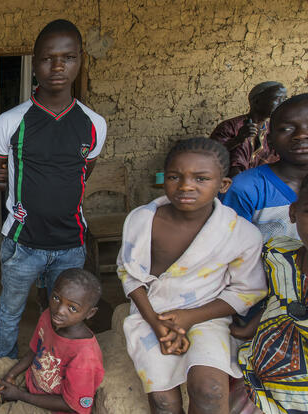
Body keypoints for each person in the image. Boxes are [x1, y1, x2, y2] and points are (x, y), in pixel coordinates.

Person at [117, 138, 267, 413]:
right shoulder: (141, 220)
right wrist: (155, 322)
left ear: (223, 185)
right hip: (150, 314)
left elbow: (247, 291)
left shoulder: (241, 234)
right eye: (175, 176)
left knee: (210, 391)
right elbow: (128, 272)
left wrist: (189, 318)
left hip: (207, 316)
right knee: (163, 402)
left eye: (201, 178)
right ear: (164, 179)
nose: (186, 186)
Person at [0, 19, 107, 359]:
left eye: (67, 57)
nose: (57, 66)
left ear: (80, 60)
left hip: (70, 244)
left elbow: (83, 174)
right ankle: (4, 371)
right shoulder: (11, 122)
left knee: (63, 316)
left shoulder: (94, 124)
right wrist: (0, 180)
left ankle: (50, 371)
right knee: (10, 312)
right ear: (35, 62)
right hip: (23, 243)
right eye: (47, 58)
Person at [0, 268, 103, 414]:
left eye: (72, 308)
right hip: (32, 380)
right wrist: (11, 375)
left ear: (90, 313)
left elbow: (71, 405)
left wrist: (20, 396)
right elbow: (34, 351)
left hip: (53, 408)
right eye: (56, 298)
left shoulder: (85, 356)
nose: (59, 310)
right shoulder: (48, 317)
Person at [235, 175, 308, 413]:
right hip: (256, 381)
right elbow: (281, 298)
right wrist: (248, 329)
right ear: (293, 212)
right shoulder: (279, 254)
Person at [221, 94, 308, 243]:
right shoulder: (244, 189)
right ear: (270, 140)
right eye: (286, 128)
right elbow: (228, 249)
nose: (300, 135)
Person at [210, 81, 287, 177]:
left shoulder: (273, 129)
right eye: (277, 99)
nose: (282, 104)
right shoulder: (229, 126)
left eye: (284, 99)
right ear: (256, 102)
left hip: (261, 184)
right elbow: (210, 155)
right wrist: (237, 140)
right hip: (231, 185)